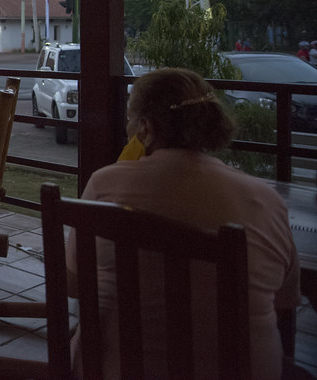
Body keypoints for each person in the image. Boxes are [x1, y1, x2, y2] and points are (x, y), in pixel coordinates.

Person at [67, 68, 299, 379]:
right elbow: (285, 302)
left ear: (146, 128)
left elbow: (74, 283)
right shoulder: (265, 201)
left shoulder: (106, 185)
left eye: (129, 120)